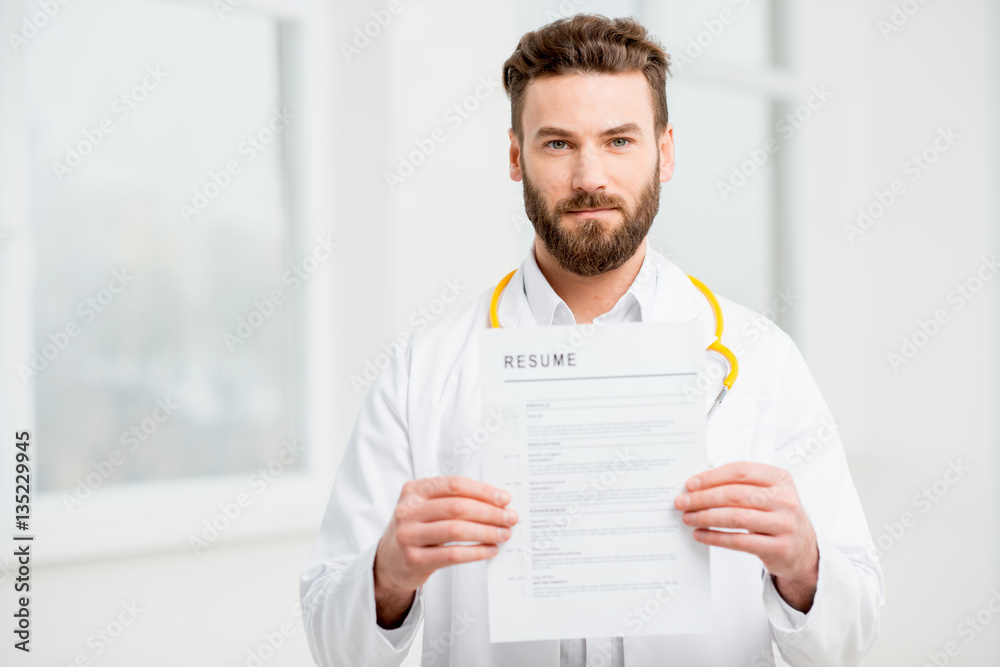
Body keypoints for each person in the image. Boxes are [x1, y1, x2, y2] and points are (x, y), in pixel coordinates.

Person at [300, 13, 884, 667]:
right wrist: (386, 575)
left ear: (664, 152)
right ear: (516, 155)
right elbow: (335, 646)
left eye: (618, 141)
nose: (588, 177)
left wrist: (804, 567)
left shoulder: (762, 360)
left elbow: (849, 638)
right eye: (557, 144)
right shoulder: (424, 370)